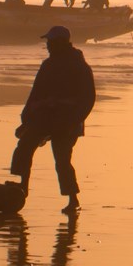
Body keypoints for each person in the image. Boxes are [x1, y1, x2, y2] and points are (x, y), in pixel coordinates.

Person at [11, 26, 96, 214]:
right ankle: (22, 187)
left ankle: (73, 199)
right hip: (44, 117)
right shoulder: (48, 65)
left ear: (61, 42)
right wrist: (26, 120)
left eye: (50, 42)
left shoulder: (79, 66)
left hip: (67, 121)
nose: (47, 45)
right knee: (24, 146)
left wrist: (74, 120)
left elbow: (88, 99)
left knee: (62, 159)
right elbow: (35, 93)